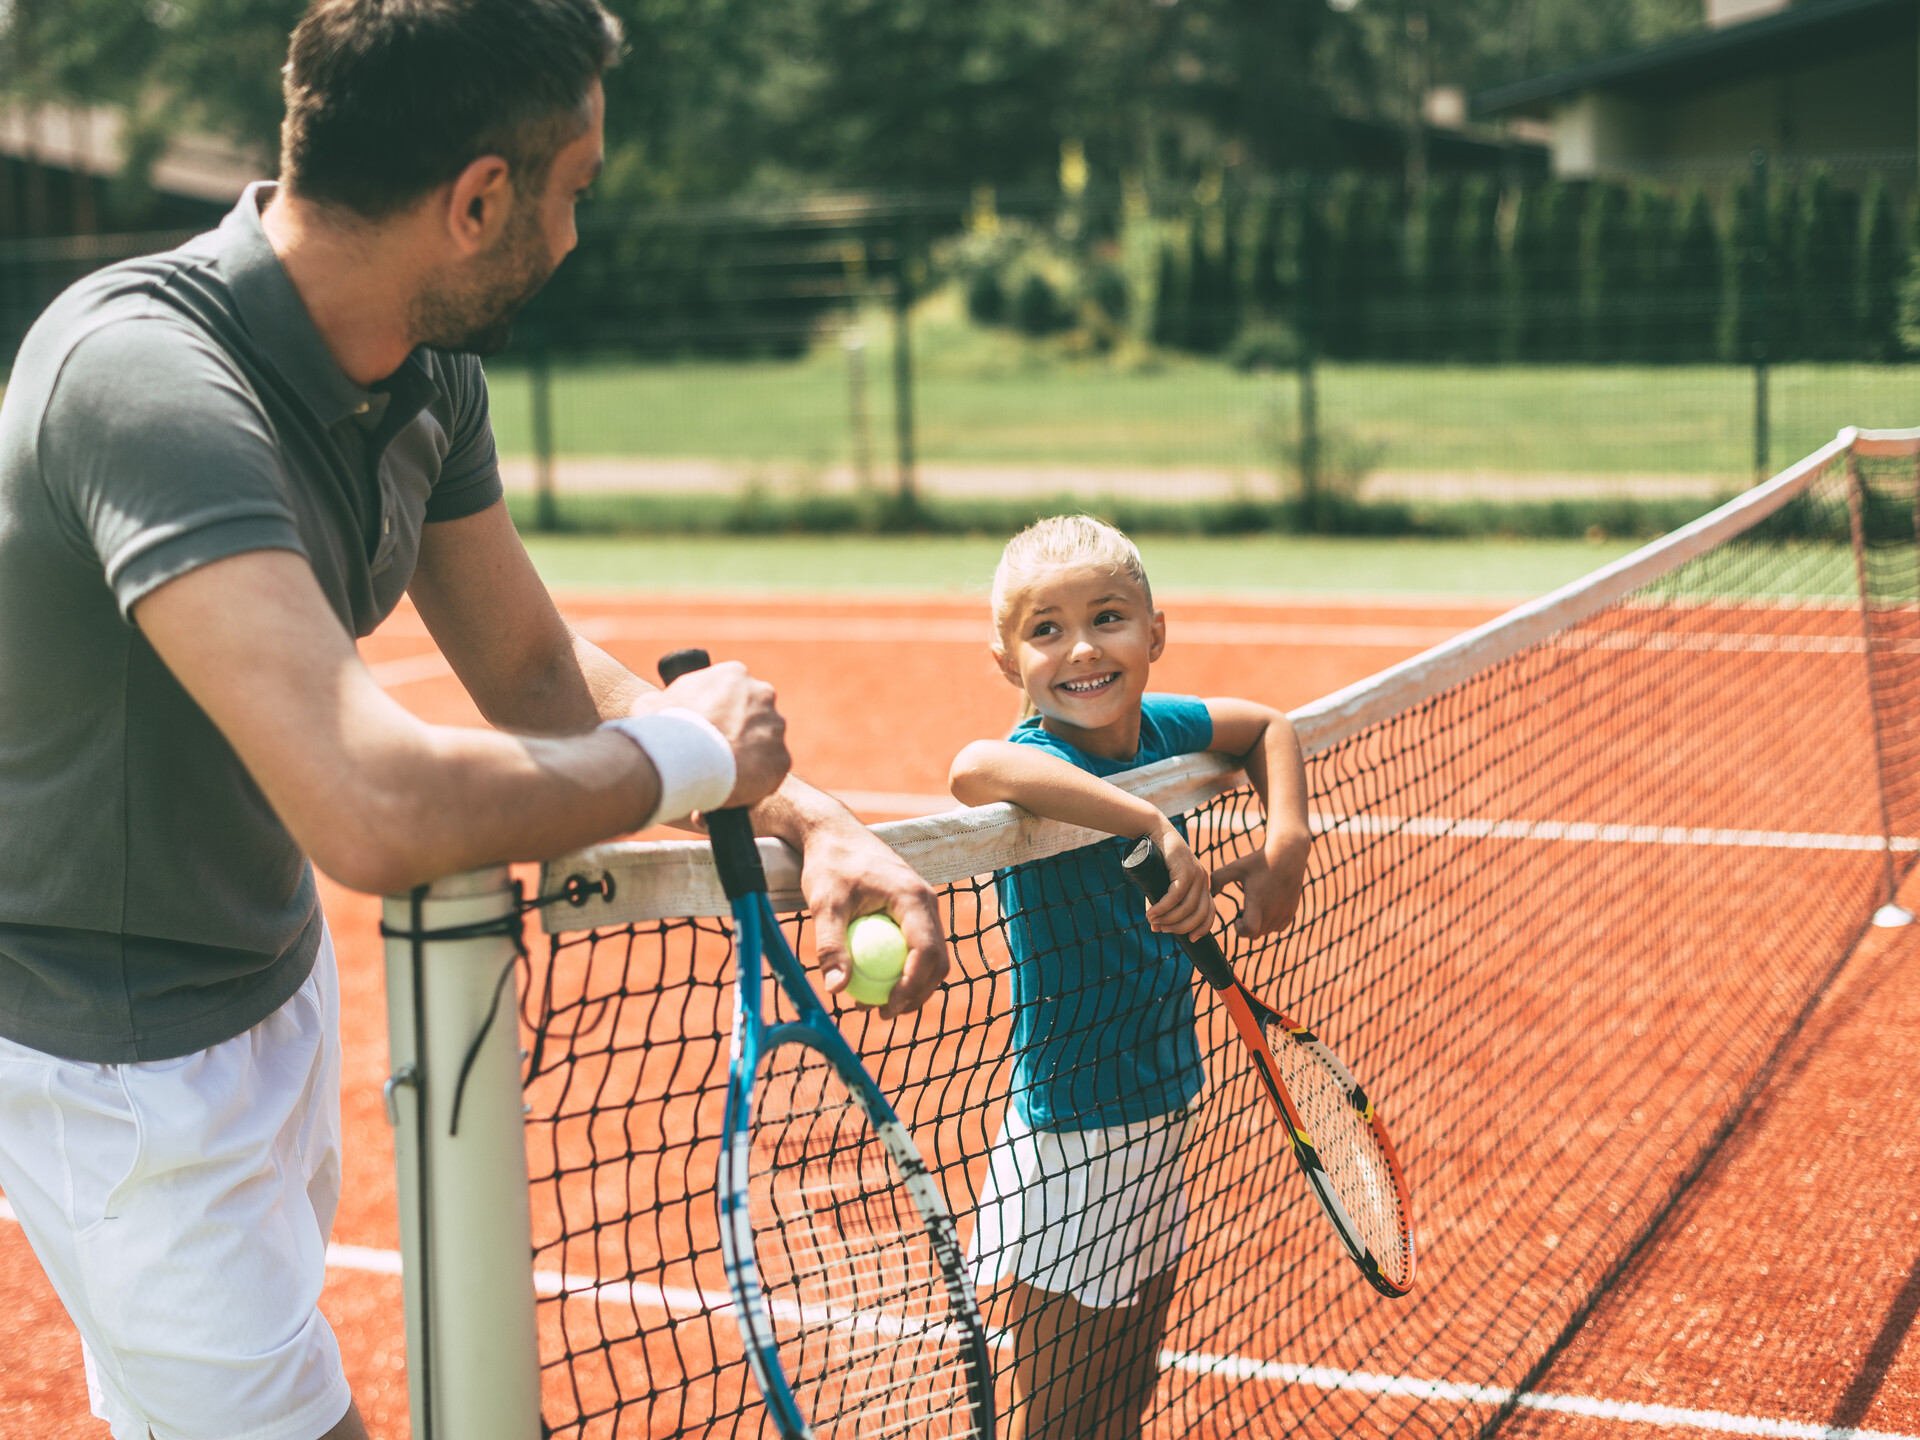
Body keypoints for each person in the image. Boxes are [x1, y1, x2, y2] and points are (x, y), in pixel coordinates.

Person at [0, 3, 948, 1438]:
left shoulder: (419, 367)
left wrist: (805, 815)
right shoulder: (146, 382)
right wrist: (691, 754)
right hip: (108, 1055)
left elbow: (529, 666)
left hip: (265, 979)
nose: (573, 237)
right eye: (572, 193)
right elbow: (369, 806)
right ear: (479, 200)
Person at [947, 516, 1312, 1440]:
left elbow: (1269, 724)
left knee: (1123, 1404)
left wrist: (1287, 841)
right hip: (1070, 1145)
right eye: (1045, 630)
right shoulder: (1044, 755)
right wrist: (1149, 825)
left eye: (1108, 617)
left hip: (1160, 1113)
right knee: (1060, 1425)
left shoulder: (1160, 727)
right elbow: (974, 768)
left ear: (1155, 632)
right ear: (1006, 658)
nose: (1080, 649)